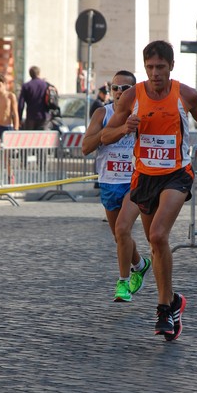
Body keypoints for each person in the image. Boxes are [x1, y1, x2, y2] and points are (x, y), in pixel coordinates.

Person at [102, 40, 197, 340]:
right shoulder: (132, 96)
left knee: (158, 235)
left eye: (160, 67)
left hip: (176, 175)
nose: (155, 73)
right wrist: (125, 128)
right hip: (144, 178)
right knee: (156, 245)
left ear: (171, 67)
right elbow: (105, 135)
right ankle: (175, 300)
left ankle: (163, 308)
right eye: (149, 67)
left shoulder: (185, 94)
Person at [82, 70, 151, 302]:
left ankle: (123, 284)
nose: (120, 92)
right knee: (119, 236)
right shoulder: (103, 113)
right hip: (109, 182)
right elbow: (85, 147)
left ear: (135, 91)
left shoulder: (142, 113)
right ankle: (140, 265)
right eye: (115, 88)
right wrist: (113, 131)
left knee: (123, 230)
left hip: (135, 181)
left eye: (125, 89)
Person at [18, 66, 48, 131]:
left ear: (30, 74)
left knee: (30, 138)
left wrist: (19, 118)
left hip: (30, 117)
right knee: (42, 138)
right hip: (43, 116)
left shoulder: (26, 86)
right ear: (39, 73)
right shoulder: (45, 85)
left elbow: (21, 104)